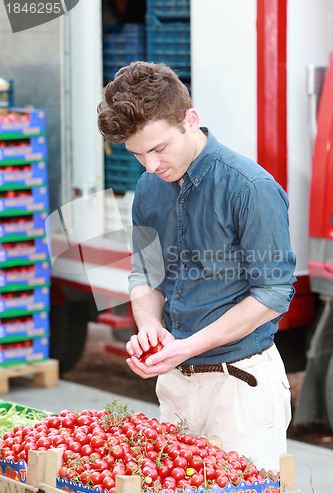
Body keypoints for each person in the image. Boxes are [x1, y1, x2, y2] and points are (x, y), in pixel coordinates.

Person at [97, 61, 296, 471]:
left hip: (240, 387)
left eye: (158, 149)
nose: (150, 166)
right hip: (175, 386)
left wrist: (186, 346)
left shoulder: (250, 188)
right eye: (137, 155)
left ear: (190, 120)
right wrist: (150, 327)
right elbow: (146, 274)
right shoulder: (149, 187)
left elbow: (273, 294)